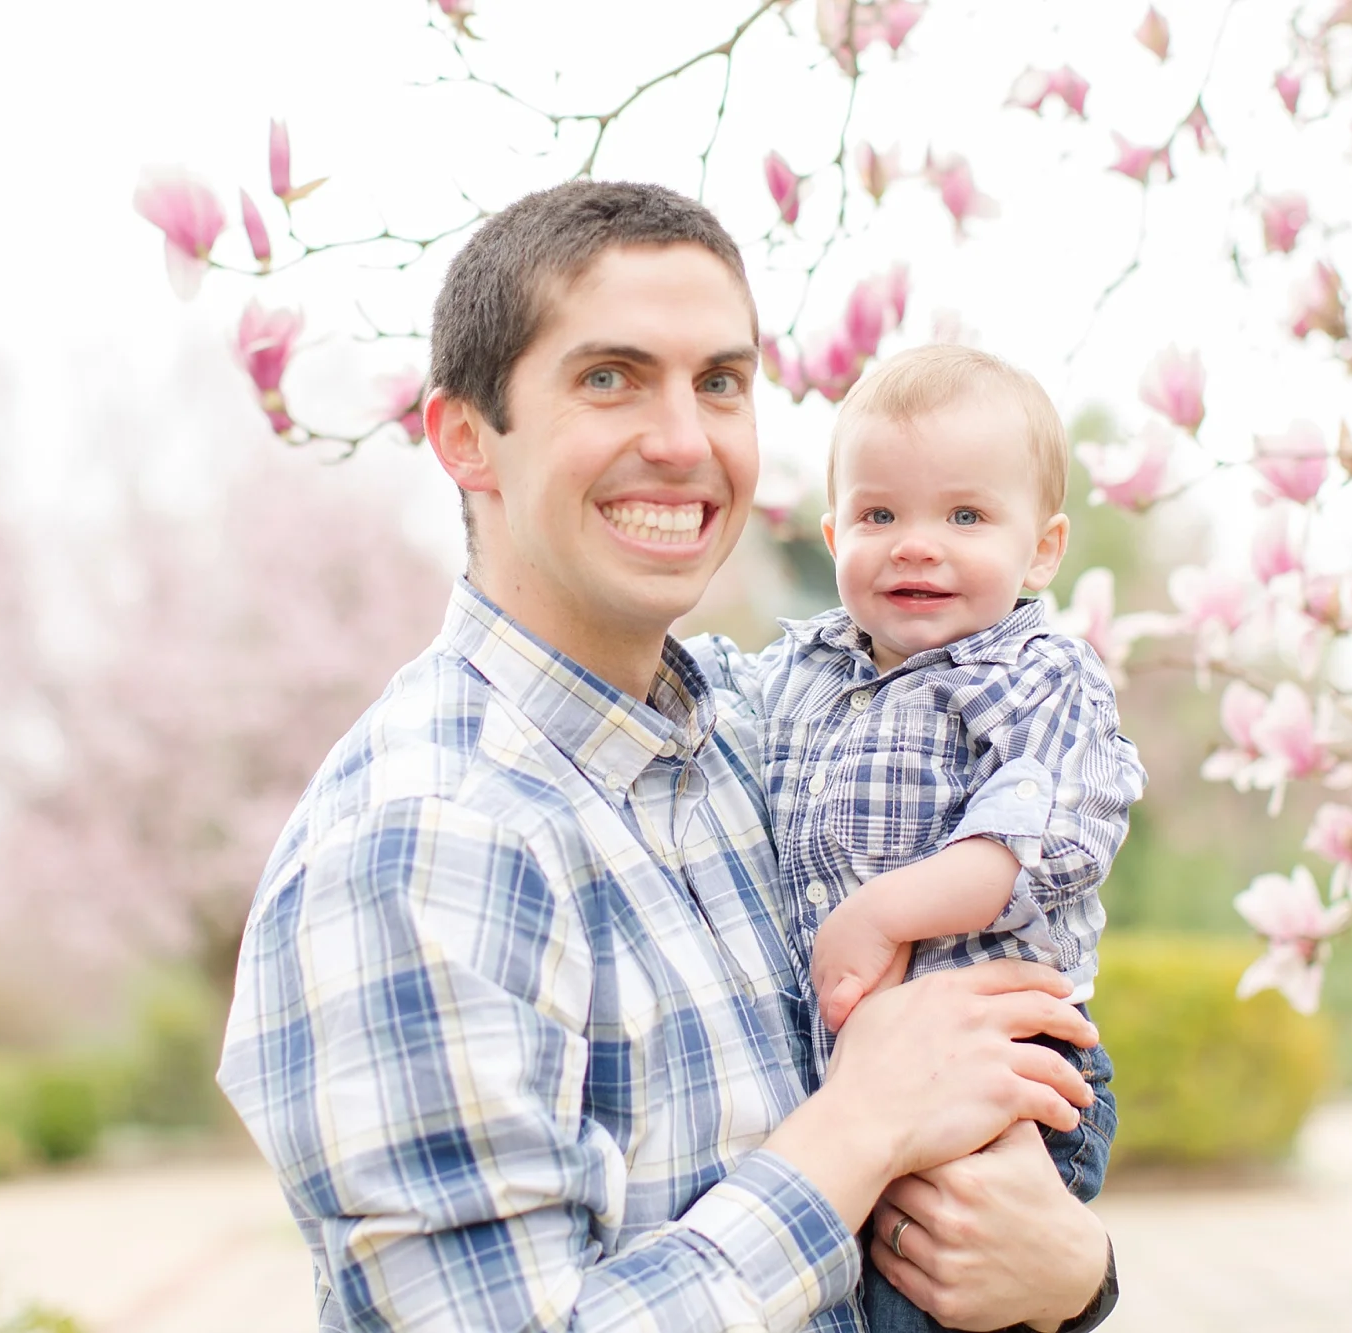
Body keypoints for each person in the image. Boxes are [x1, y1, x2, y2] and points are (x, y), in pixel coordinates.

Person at [217, 179, 1119, 1332]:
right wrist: (855, 1127)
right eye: (609, 378)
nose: (683, 442)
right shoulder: (428, 836)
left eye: (720, 384)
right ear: (463, 438)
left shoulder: (765, 736)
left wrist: (1072, 1273)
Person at [691, 344, 1145, 1332]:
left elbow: (1038, 836)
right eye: (878, 515)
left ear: (1041, 549)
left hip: (1000, 1066)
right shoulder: (798, 672)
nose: (914, 544)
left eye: (965, 515)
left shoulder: (1036, 677)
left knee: (933, 1288)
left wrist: (883, 910)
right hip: (852, 1078)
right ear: (833, 530)